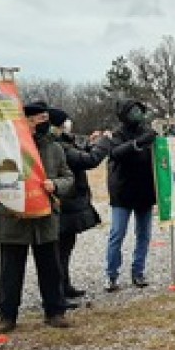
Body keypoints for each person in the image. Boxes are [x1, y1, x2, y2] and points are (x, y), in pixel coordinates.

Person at [0, 101, 75, 333]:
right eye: (39, 119)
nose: (44, 123)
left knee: (51, 268)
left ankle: (55, 312)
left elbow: (69, 178)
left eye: (46, 118)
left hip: (45, 218)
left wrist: (56, 185)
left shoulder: (55, 148)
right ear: (25, 122)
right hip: (13, 217)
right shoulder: (6, 148)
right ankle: (7, 316)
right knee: (10, 271)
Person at [50, 108, 109, 301]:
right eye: (65, 122)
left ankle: (64, 286)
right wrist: (104, 144)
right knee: (60, 251)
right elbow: (89, 160)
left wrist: (91, 144)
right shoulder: (58, 146)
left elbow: (80, 155)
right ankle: (58, 290)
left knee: (66, 247)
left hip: (69, 203)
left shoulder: (63, 143)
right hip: (65, 203)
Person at [104, 99, 157, 292]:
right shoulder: (117, 135)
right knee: (117, 234)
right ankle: (111, 275)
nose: (137, 114)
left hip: (145, 191)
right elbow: (115, 152)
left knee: (144, 235)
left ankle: (138, 271)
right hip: (123, 192)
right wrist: (137, 144)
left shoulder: (148, 132)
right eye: (132, 111)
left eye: (139, 110)